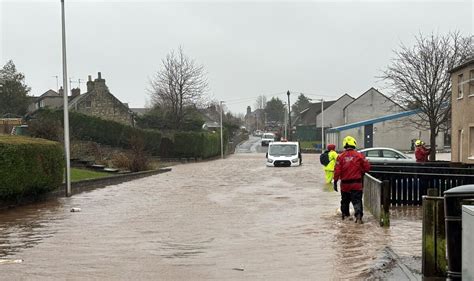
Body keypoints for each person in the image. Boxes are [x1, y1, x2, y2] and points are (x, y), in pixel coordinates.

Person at [333, 136, 371, 224]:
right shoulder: (359, 155)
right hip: (356, 183)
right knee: (357, 201)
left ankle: (345, 218)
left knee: (345, 202)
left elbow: (337, 171)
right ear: (354, 144)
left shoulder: (340, 157)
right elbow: (367, 168)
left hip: (345, 185)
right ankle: (358, 217)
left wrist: (335, 182)